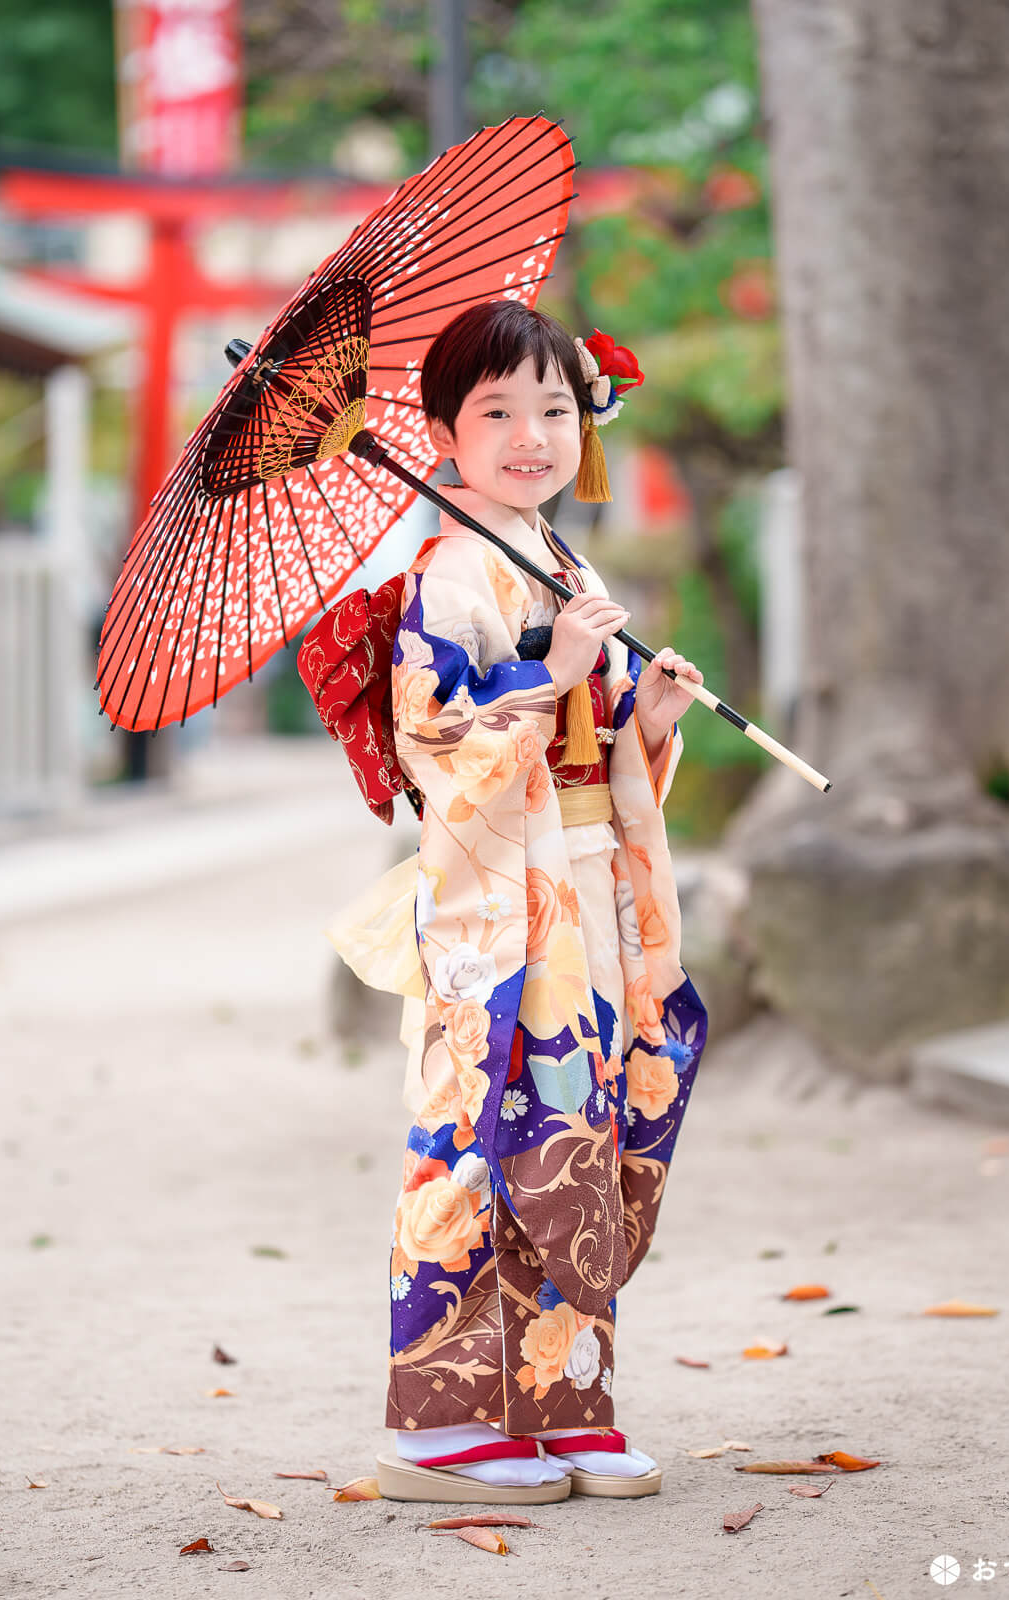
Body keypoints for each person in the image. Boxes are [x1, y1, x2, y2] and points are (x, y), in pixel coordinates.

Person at [320, 298, 709, 1504]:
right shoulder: (449, 571)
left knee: (575, 1136)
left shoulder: (558, 556)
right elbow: (435, 739)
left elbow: (592, 749)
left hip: (582, 887)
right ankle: (442, 1423)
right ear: (441, 430)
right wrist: (551, 672)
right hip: (502, 904)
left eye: (555, 406)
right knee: (481, 1141)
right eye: (496, 410)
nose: (532, 432)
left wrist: (643, 719)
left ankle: (564, 1399)